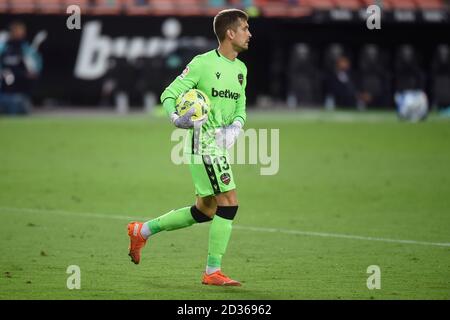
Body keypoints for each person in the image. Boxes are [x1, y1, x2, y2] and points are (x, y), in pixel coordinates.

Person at [127, 9, 251, 286]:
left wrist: (236, 127)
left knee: (205, 210)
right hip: (202, 143)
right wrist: (175, 117)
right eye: (244, 28)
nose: (249, 33)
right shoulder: (202, 64)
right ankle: (212, 272)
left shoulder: (241, 69)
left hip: (220, 144)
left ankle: (142, 231)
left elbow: (241, 105)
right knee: (229, 202)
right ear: (230, 33)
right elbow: (169, 93)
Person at [0, 21, 42, 115]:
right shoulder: (4, 48)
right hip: (3, 94)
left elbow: (35, 67)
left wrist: (31, 73)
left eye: (21, 32)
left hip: (21, 95)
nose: (19, 34)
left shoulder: (26, 50)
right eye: (16, 31)